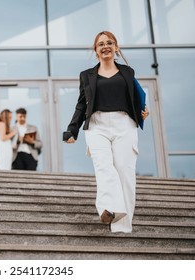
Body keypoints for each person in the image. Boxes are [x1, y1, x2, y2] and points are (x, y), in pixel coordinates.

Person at [63, 31, 149, 233]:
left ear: (116, 48)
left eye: (109, 42)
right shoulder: (87, 75)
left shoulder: (127, 72)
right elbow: (81, 105)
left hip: (124, 124)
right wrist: (72, 130)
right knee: (104, 167)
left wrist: (141, 112)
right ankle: (108, 209)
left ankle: (122, 226)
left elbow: (133, 97)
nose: (105, 46)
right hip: (97, 125)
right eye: (100, 44)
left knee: (124, 172)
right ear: (96, 50)